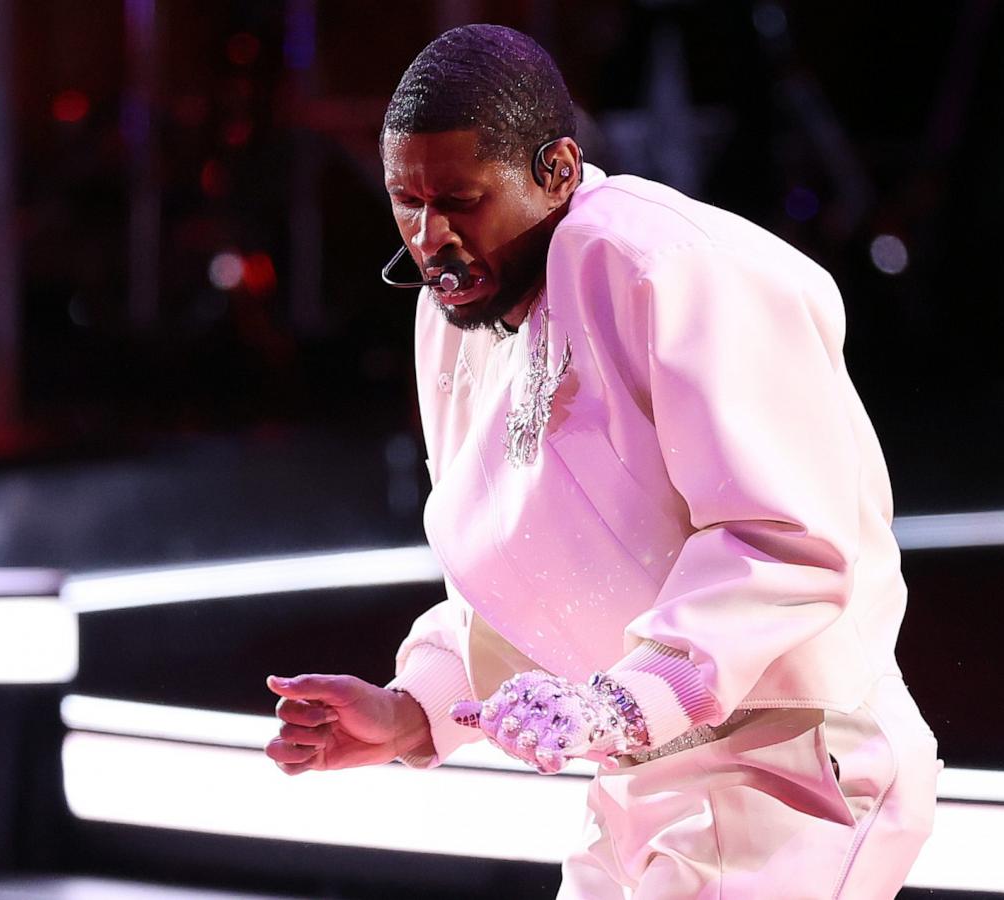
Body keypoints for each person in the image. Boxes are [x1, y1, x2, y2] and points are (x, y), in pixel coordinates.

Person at [265, 24, 939, 899]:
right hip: (637, 777)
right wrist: (412, 709)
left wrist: (621, 701)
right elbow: (539, 573)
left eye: (461, 200)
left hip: (792, 770)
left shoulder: (666, 265)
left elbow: (788, 543)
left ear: (557, 170)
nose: (432, 238)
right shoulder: (457, 312)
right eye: (408, 201)